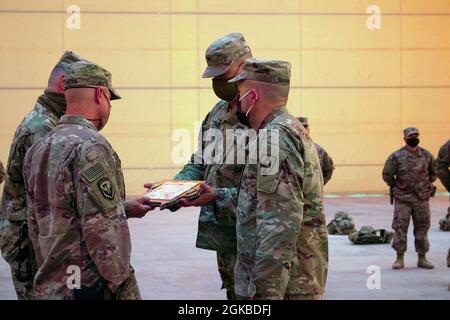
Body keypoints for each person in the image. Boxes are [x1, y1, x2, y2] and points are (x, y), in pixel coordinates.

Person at [181, 59, 326, 299]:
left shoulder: (274, 140)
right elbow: (259, 200)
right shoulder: (284, 129)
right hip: (286, 281)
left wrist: (263, 293)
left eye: (240, 93)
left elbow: (278, 226)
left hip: (286, 286)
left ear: (253, 96)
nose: (237, 102)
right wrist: (214, 195)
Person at [23, 60, 152, 299]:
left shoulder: (39, 147)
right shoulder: (90, 147)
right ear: (101, 94)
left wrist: (123, 208)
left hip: (52, 285)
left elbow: (40, 219)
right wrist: (125, 286)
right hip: (87, 288)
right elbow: (104, 230)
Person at [162, 32, 252, 300]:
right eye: (213, 77)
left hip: (258, 242)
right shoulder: (218, 113)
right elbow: (201, 160)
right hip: (226, 237)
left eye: (223, 76)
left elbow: (273, 196)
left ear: (245, 65)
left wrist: (216, 196)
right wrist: (175, 188)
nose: (217, 83)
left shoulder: (264, 118)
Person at [0, 51, 85, 299]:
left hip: (32, 234)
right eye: (81, 87)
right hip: (28, 240)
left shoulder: (49, 121)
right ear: (63, 85)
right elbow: (53, 200)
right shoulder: (42, 128)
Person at [382, 127, 436, 269]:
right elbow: (387, 174)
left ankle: (422, 258)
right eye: (411, 136)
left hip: (421, 199)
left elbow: (434, 173)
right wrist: (397, 186)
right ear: (405, 138)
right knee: (400, 229)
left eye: (416, 136)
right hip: (403, 199)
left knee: (422, 228)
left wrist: (425, 185)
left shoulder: (427, 155)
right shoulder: (396, 156)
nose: (414, 138)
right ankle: (399, 258)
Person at [297, 117, 334, 185]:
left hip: (312, 193)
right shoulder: (289, 149)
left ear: (308, 130)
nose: (302, 130)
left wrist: (319, 184)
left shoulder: (319, 151)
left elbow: (328, 168)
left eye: (304, 128)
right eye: (299, 128)